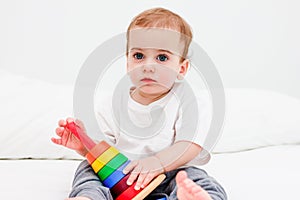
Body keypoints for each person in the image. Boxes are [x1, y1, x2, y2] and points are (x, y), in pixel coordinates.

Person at [52, 7, 227, 200]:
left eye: (162, 57)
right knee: (87, 171)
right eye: (139, 56)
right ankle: (88, 197)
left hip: (170, 172)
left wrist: (158, 163)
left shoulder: (190, 101)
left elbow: (189, 145)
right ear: (127, 62)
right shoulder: (111, 104)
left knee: (195, 178)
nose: (148, 66)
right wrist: (85, 146)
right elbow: (104, 151)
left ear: (182, 68)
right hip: (121, 175)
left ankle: (192, 198)